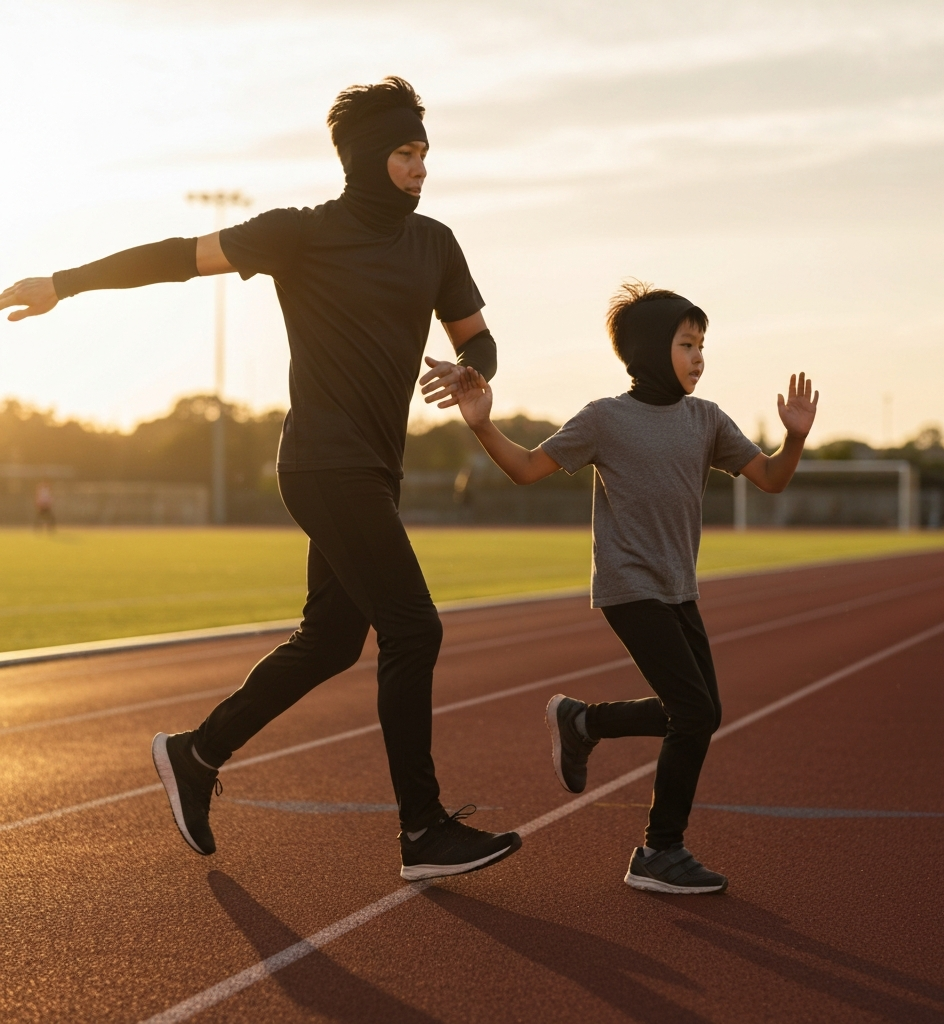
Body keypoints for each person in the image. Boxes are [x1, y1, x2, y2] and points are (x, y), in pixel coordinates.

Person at [0, 76, 521, 881]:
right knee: (415, 629)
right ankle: (422, 831)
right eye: (406, 153)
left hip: (374, 470)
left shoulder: (436, 245)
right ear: (365, 156)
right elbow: (178, 259)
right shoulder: (299, 234)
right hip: (321, 460)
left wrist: (470, 372)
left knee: (332, 640)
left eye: (424, 154)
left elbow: (479, 338)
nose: (421, 169)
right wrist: (64, 284)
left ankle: (197, 752)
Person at [450, 280, 818, 894]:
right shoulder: (605, 419)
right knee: (695, 712)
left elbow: (771, 480)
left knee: (702, 711)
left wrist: (796, 437)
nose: (700, 356)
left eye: (703, 344)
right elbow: (525, 468)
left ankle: (583, 723)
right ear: (650, 350)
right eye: (687, 343)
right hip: (628, 587)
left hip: (678, 588)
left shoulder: (706, 419)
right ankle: (659, 851)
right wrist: (483, 425)